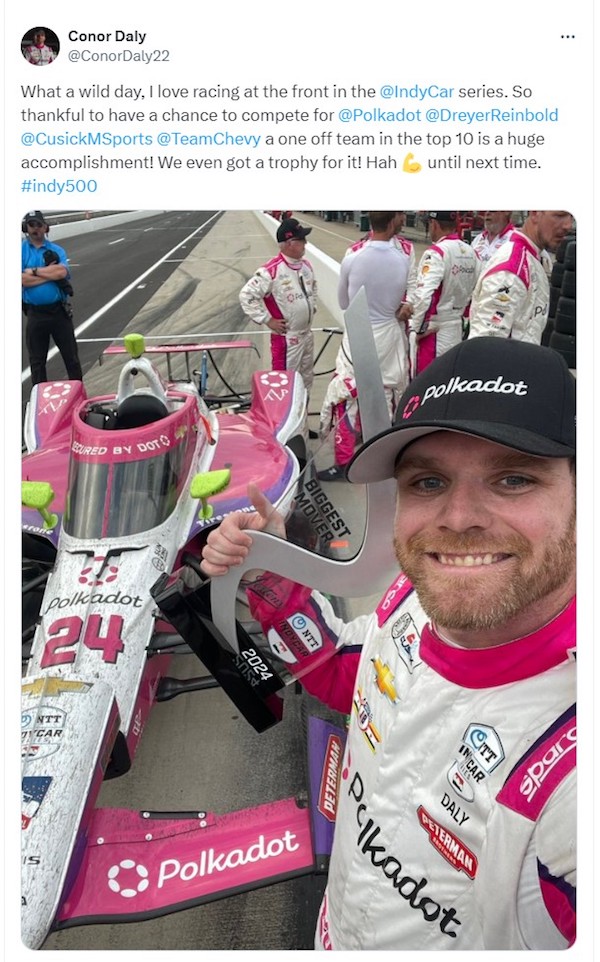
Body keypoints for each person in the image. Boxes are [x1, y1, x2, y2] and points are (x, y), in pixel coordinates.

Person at [200, 337, 576, 951]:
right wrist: (269, 571)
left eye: (513, 478)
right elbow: (349, 674)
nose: (457, 519)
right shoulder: (414, 591)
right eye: (427, 482)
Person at [318, 211, 411, 482]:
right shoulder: (403, 259)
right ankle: (382, 460)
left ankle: (344, 461)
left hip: (359, 334)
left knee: (347, 398)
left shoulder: (352, 258)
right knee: (384, 400)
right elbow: (399, 302)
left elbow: (345, 304)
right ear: (393, 220)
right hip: (389, 336)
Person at [239, 217, 318, 397]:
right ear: (290, 243)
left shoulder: (306, 266)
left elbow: (313, 287)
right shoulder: (271, 271)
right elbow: (246, 295)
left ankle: (302, 424)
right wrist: (267, 320)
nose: (305, 243)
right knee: (285, 386)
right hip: (286, 339)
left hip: (306, 335)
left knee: (306, 383)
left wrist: (312, 307)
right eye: (301, 239)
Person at [468, 210, 574, 343]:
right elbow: (485, 344)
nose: (568, 225)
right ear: (535, 213)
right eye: (560, 215)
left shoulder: (534, 257)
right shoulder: (512, 269)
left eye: (571, 216)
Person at [398, 211, 479, 377]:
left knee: (426, 385)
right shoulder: (472, 252)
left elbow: (424, 296)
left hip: (433, 333)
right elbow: (476, 292)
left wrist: (418, 330)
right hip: (456, 329)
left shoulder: (436, 253)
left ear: (434, 224)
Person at [22, 210, 83, 385]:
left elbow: (61, 272)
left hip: (59, 311)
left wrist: (34, 271)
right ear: (26, 228)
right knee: (37, 362)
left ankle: (79, 397)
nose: (35, 229)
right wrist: (50, 274)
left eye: (38, 225)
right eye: (31, 225)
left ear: (45, 227)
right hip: (35, 313)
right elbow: (21, 280)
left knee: (71, 358)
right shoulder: (20, 251)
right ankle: (39, 403)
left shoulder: (57, 250)